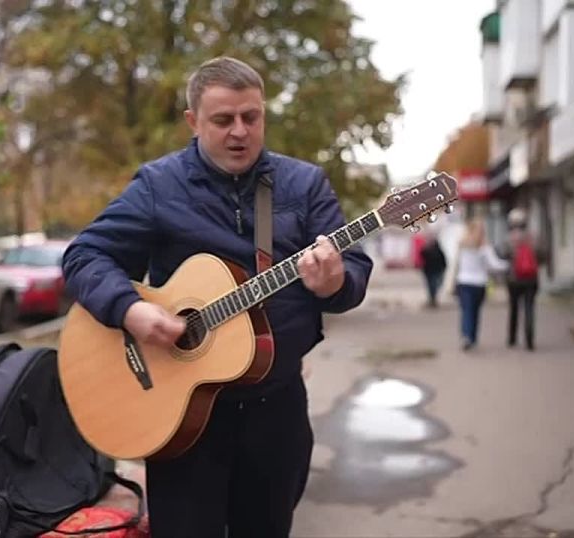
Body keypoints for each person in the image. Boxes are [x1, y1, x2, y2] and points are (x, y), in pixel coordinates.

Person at [61, 56, 373, 538]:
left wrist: (335, 283)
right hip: (182, 419)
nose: (240, 132)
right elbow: (85, 257)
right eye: (223, 120)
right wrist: (130, 309)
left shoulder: (303, 185)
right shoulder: (159, 186)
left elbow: (352, 272)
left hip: (276, 409)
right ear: (193, 121)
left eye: (252, 117)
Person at [453, 218, 508, 351]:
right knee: (475, 311)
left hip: (464, 282)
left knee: (466, 311)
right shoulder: (485, 247)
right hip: (479, 284)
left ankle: (466, 336)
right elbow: (494, 265)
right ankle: (472, 337)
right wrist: (509, 265)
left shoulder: (462, 245)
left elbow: (457, 265)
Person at [498, 208, 544, 351]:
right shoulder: (533, 237)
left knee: (514, 308)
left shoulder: (508, 238)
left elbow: (502, 255)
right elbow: (542, 255)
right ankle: (529, 339)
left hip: (513, 279)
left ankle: (512, 338)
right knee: (529, 307)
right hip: (531, 278)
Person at [418, 231, 447, 308]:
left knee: (435, 285)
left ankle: (433, 299)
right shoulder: (426, 249)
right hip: (429, 271)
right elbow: (421, 255)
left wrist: (443, 268)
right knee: (431, 286)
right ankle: (432, 300)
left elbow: (443, 260)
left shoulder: (438, 250)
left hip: (436, 270)